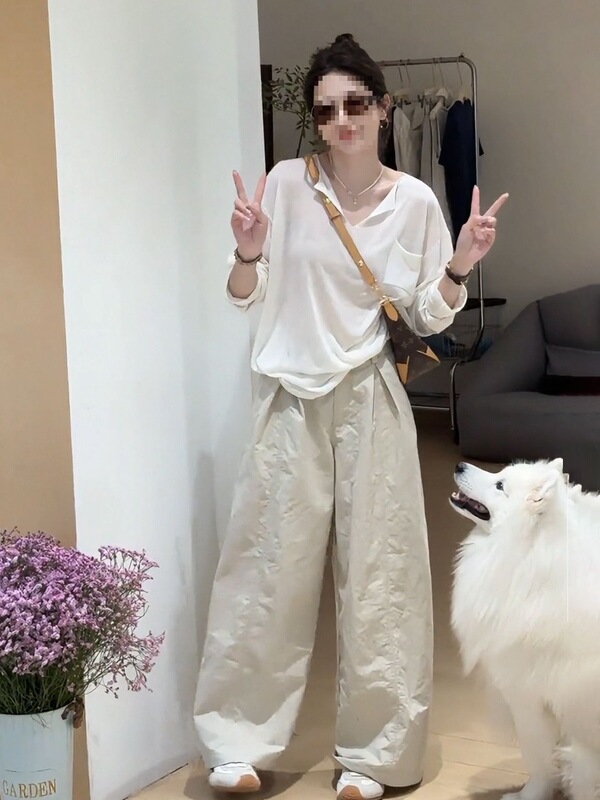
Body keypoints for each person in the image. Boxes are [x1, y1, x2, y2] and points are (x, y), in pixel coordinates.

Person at [194, 33, 508, 800]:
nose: (342, 121)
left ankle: (375, 756)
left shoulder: (416, 201)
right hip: (287, 397)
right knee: (262, 573)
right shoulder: (284, 185)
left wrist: (462, 262)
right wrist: (247, 252)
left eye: (355, 104)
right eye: (326, 109)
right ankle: (237, 742)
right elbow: (242, 297)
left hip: (369, 394)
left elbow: (429, 314)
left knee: (383, 576)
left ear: (383, 108)